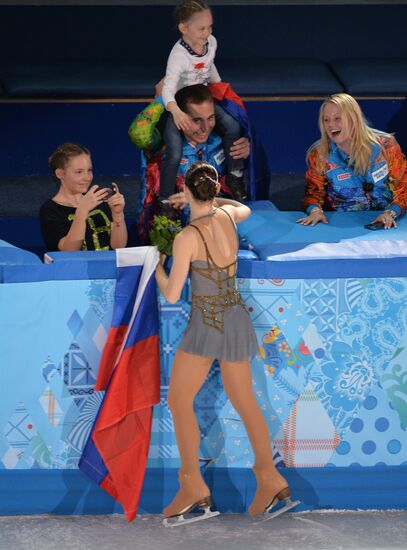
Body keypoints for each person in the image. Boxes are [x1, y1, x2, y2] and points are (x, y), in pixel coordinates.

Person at [155, 161, 299, 525]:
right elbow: (243, 207)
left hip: (207, 321)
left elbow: (173, 294)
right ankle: (270, 476)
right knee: (246, 401)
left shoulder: (187, 236)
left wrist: (155, 265)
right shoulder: (228, 216)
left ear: (186, 191)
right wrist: (208, 197)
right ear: (216, 190)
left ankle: (192, 484)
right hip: (235, 317)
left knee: (178, 399)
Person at [131, 84, 251, 240]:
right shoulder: (161, 147)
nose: (205, 128)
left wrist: (248, 154)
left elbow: (233, 190)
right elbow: (138, 133)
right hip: (170, 238)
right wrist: (164, 99)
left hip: (214, 234)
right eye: (197, 120)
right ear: (180, 117)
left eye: (211, 118)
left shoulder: (223, 143)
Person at [159, 0, 245, 209]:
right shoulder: (179, 56)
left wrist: (220, 87)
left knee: (233, 127)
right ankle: (166, 199)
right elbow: (167, 88)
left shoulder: (211, 42)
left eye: (210, 27)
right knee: (175, 151)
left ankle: (234, 176)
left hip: (202, 99)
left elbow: (209, 64)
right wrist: (177, 113)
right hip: (180, 105)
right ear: (183, 28)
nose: (207, 32)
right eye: (201, 28)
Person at [297, 93, 407, 229]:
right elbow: (312, 193)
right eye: (326, 120)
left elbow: (403, 189)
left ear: (353, 119)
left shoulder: (386, 146)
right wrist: (314, 211)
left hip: (387, 221)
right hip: (340, 222)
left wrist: (391, 213)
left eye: (338, 118)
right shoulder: (319, 153)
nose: (331, 125)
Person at [40, 143, 127, 251]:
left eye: (89, 170)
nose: (87, 177)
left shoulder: (100, 200)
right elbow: (68, 251)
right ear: (60, 174)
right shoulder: (50, 210)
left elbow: (118, 246)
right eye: (79, 172)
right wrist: (82, 211)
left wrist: (118, 214)